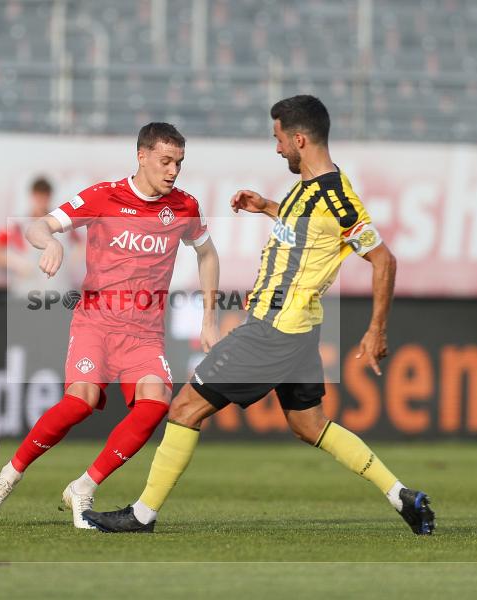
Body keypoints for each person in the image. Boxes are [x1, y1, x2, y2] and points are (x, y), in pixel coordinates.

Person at [83, 96, 436, 535]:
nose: (277, 148)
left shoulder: (338, 198)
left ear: (300, 139)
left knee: (185, 408)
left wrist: (376, 330)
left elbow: (384, 260)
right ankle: (399, 494)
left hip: (274, 330)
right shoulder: (309, 189)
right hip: (300, 329)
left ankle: (142, 514)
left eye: (279, 139)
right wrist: (266, 205)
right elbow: (309, 227)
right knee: (310, 425)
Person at [0, 123, 221, 529]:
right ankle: (10, 474)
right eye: (165, 161)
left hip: (144, 333)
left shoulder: (184, 208)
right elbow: (40, 226)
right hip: (96, 323)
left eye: (178, 162)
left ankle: (85, 485)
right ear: (141, 156)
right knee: (80, 402)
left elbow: (207, 255)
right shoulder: (104, 196)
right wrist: (51, 241)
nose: (173, 170)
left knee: (156, 405)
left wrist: (209, 318)